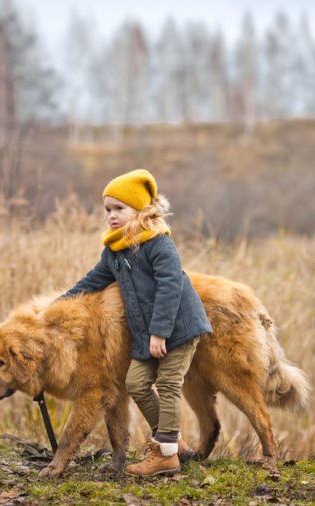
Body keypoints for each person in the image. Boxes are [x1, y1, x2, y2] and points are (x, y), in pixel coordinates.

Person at [60, 169, 212, 477]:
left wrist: (160, 332)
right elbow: (93, 280)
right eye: (107, 210)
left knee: (168, 384)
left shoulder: (159, 244)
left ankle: (165, 455)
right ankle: (173, 443)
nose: (111, 216)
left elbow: (171, 287)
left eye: (119, 209)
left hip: (178, 328)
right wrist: (58, 305)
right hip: (149, 333)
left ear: (141, 210)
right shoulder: (114, 251)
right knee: (137, 383)